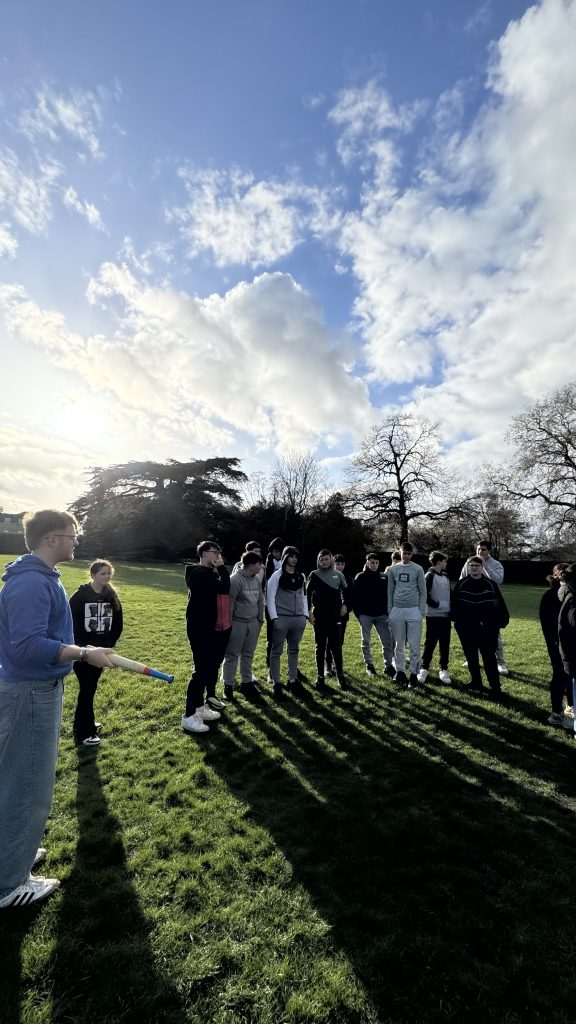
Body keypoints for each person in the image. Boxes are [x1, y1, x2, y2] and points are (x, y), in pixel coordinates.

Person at [0, 510, 117, 909]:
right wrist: (85, 652)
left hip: (35, 689)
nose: (76, 541)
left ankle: (11, 855)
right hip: (30, 692)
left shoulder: (39, 576)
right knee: (27, 786)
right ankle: (10, 883)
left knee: (20, 780)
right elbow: (27, 646)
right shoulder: (31, 584)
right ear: (52, 538)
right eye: (72, 535)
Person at [69, 559, 124, 745]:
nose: (106, 577)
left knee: (88, 690)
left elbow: (118, 623)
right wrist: (82, 650)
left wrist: (108, 644)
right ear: (93, 575)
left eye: (109, 573)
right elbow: (71, 624)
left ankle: (82, 723)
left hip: (101, 652)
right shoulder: (79, 596)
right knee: (87, 689)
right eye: (103, 573)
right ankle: (85, 732)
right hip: (83, 654)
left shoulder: (111, 596)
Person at [182, 541, 231, 735]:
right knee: (200, 671)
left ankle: (199, 707)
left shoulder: (208, 574)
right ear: (203, 554)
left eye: (220, 552)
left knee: (207, 668)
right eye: (214, 552)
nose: (218, 556)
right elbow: (224, 588)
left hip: (209, 628)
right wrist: (223, 569)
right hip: (199, 629)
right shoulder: (199, 574)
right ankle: (188, 715)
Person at [451, 555, 509, 701]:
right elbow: (454, 606)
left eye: (477, 566)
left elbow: (499, 605)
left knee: (489, 658)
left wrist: (499, 622)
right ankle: (476, 683)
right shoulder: (461, 584)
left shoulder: (490, 585)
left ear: (482, 567)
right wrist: (458, 622)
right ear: (468, 568)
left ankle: (495, 688)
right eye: (472, 566)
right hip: (467, 628)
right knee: (471, 657)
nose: (474, 568)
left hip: (487, 629)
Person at [266, 546, 309, 699]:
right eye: (291, 556)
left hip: (298, 619)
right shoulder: (276, 576)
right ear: (285, 558)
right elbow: (270, 598)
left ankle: (292, 679)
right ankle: (276, 682)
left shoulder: (301, 576)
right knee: (276, 651)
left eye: (296, 556)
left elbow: (304, 596)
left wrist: (305, 615)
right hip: (281, 618)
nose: (294, 559)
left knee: (294, 650)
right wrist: (274, 617)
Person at [460, 540, 508, 674]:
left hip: (490, 603)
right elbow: (462, 578)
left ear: (489, 551)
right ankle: (472, 659)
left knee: (494, 633)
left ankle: (501, 663)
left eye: (483, 550)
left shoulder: (496, 564)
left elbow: (499, 580)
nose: (480, 552)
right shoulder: (469, 562)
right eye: (478, 549)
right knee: (472, 632)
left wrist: (484, 567)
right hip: (472, 602)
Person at [222, 551, 264, 701]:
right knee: (232, 655)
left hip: (253, 623)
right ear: (251, 565)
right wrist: (230, 625)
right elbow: (230, 604)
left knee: (248, 654)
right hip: (237, 623)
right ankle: (228, 686)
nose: (261, 566)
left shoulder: (257, 579)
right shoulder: (235, 580)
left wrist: (260, 620)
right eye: (259, 563)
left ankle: (247, 683)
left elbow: (260, 600)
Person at [307, 549, 349, 692]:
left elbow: (346, 591)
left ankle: (340, 676)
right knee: (320, 647)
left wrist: (345, 604)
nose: (324, 562)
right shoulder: (314, 575)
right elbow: (306, 594)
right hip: (319, 616)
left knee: (336, 647)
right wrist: (308, 612)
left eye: (326, 559)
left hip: (335, 616)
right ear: (318, 561)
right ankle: (320, 677)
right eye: (321, 560)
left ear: (331, 559)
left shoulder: (338, 575)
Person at [387, 542, 426, 688]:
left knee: (415, 645)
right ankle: (400, 671)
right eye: (405, 553)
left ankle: (414, 674)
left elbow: (423, 591)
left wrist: (420, 610)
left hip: (413, 611)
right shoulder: (393, 569)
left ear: (412, 554)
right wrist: (390, 610)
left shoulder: (418, 569)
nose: (407, 556)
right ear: (400, 552)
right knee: (399, 644)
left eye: (410, 554)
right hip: (397, 610)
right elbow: (390, 591)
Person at [539, 564, 572, 729]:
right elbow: (547, 623)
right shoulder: (552, 595)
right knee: (562, 675)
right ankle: (559, 713)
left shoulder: (566, 593)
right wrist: (555, 642)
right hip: (559, 642)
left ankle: (561, 712)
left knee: (563, 675)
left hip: (561, 642)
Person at [353, 552, 394, 678]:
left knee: (388, 641)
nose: (374, 565)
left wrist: (387, 612)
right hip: (365, 615)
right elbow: (355, 597)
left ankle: (388, 666)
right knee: (366, 641)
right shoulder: (360, 577)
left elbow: (388, 596)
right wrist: (359, 614)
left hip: (382, 615)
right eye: (372, 562)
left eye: (376, 563)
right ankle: (369, 666)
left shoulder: (384, 577)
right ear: (367, 562)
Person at [417, 552, 452, 685]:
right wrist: (436, 604)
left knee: (445, 643)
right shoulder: (429, 575)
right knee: (430, 643)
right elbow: (424, 594)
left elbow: (450, 594)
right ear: (439, 562)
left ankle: (443, 669)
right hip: (433, 616)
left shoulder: (446, 576)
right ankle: (424, 668)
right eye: (445, 561)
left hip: (446, 616)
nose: (446, 563)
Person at [325, 554, 353, 677]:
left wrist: (346, 606)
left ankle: (338, 665)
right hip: (329, 614)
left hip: (342, 615)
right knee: (329, 641)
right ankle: (328, 665)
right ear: (333, 564)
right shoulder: (326, 577)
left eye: (342, 564)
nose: (340, 566)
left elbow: (351, 596)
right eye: (338, 564)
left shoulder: (348, 578)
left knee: (339, 641)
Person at [558, 564, 576, 737]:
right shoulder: (572, 597)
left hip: (570, 653)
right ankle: (570, 724)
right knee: (573, 695)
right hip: (572, 654)